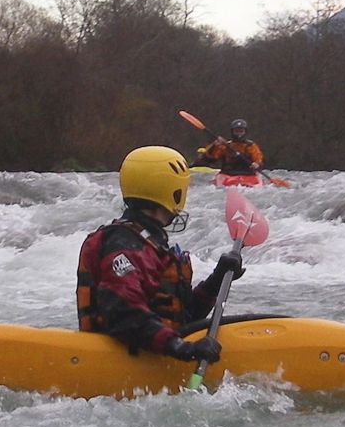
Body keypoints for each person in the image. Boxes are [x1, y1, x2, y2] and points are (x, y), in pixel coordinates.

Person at [76, 145, 245, 363]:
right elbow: (123, 314)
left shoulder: (147, 242)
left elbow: (182, 315)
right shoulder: (124, 245)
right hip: (120, 360)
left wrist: (216, 280)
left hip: (154, 350)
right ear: (173, 191)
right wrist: (180, 348)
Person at [193, 118, 263, 177]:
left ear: (245, 132)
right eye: (236, 131)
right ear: (232, 132)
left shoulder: (251, 146)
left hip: (248, 174)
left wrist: (257, 164)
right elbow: (210, 159)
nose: (239, 134)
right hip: (227, 174)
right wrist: (214, 145)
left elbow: (259, 159)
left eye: (241, 131)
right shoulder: (225, 146)